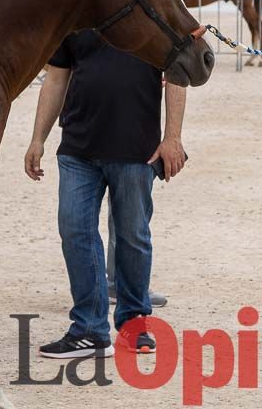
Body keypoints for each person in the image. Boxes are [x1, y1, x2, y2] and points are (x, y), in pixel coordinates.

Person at [24, 30, 187, 358]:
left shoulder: (149, 12)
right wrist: (38, 138)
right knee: (75, 232)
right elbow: (56, 78)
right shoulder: (77, 14)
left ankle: (134, 323)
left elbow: (178, 76)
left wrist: (172, 138)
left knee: (132, 237)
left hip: (136, 149)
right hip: (77, 149)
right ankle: (89, 329)